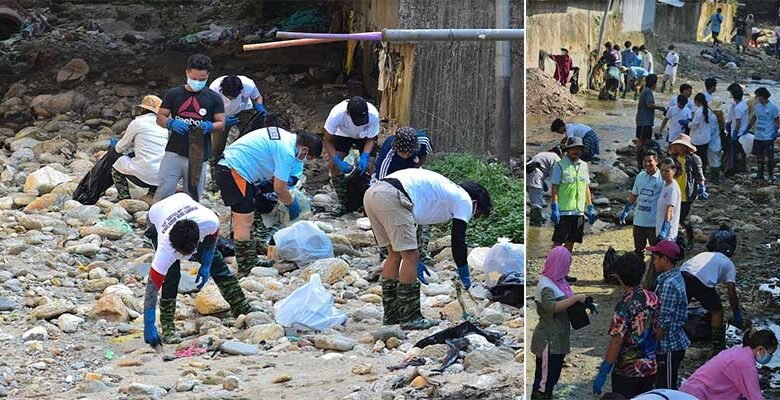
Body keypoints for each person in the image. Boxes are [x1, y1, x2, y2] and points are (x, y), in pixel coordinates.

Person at [363, 169, 491, 330]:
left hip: (373, 193)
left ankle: (392, 316)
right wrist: (464, 273)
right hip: (393, 196)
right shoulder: (464, 199)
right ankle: (410, 318)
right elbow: (458, 241)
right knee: (410, 256)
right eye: (477, 213)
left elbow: (413, 221)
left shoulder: (441, 192)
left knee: (394, 255)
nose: (473, 216)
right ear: (475, 203)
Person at [142, 193, 256, 346]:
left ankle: (240, 305)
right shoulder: (166, 247)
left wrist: (207, 263)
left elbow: (212, 238)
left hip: (183, 202)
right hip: (157, 216)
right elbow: (152, 287)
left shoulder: (209, 222)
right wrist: (148, 324)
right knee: (171, 275)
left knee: (217, 263)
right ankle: (168, 326)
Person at [215, 120, 323, 279]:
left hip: (242, 172)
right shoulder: (286, 150)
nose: (307, 160)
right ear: (305, 149)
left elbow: (288, 177)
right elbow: (280, 188)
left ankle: (249, 259)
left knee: (247, 218)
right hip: (234, 169)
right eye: (310, 157)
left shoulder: (287, 141)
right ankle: (245, 265)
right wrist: (292, 205)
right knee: (244, 220)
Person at [154, 53, 225, 202]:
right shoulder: (174, 94)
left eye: (202, 79)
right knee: (164, 190)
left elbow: (221, 122)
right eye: (194, 79)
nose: (197, 82)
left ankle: (190, 223)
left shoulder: (214, 98)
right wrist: (171, 123)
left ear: (208, 76)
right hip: (174, 151)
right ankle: (154, 223)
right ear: (187, 73)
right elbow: (160, 117)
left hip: (199, 154)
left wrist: (210, 126)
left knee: (193, 196)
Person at [593, 252, 660, 398]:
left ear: (619, 278)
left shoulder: (624, 306)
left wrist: (604, 370)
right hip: (650, 367)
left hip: (627, 371)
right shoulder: (653, 298)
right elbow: (659, 328)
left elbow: (617, 340)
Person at [530, 246, 589, 400]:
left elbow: (566, 301)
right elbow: (552, 307)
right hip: (548, 340)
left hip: (559, 339)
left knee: (552, 377)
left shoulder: (559, 282)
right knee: (543, 381)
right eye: (566, 265)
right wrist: (575, 299)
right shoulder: (545, 285)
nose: (567, 268)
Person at [372, 127, 434, 263]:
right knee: (386, 214)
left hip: (413, 176)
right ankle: (387, 253)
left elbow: (423, 155)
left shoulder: (423, 142)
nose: (406, 155)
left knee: (423, 210)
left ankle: (421, 252)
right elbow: (380, 185)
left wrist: (415, 168)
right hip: (388, 182)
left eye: (409, 152)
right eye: (402, 152)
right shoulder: (387, 154)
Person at [680, 226, 744, 355]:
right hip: (701, 281)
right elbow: (731, 292)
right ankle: (717, 346)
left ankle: (675, 333)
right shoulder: (728, 264)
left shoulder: (705, 254)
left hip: (682, 274)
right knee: (717, 311)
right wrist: (736, 312)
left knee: (680, 306)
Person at [680, 328, 776, 399]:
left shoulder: (738, 352)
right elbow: (755, 397)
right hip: (697, 395)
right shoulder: (745, 364)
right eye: (770, 354)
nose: (770, 357)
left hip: (691, 390)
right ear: (760, 349)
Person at [323, 96, 380, 216]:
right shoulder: (337, 114)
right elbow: (327, 140)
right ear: (348, 114)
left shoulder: (373, 114)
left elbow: (371, 139)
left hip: (364, 136)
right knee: (333, 166)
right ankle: (343, 203)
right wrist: (337, 160)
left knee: (370, 165)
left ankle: (369, 205)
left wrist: (364, 156)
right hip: (342, 134)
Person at [646, 240, 689, 390]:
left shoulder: (669, 284)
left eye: (655, 258)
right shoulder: (673, 277)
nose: (653, 263)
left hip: (669, 345)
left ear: (664, 259)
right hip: (669, 343)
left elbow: (663, 320)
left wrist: (651, 345)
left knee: (667, 385)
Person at [111, 95, 168, 201]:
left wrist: (114, 146)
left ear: (142, 109)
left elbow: (120, 148)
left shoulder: (137, 123)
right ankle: (153, 192)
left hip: (143, 177)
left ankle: (123, 197)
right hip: (162, 176)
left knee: (116, 166)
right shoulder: (163, 126)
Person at [208, 75, 266, 174]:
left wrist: (259, 105)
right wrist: (222, 120)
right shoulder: (214, 89)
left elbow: (257, 97)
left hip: (243, 111)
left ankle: (247, 165)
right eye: (228, 97)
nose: (231, 99)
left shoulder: (249, 85)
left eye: (233, 97)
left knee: (250, 138)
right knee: (216, 146)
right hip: (222, 114)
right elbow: (208, 111)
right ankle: (215, 170)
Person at [550, 137, 597, 254]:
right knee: (558, 242)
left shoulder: (584, 166)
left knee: (571, 242)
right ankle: (551, 269)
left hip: (579, 211)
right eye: (574, 149)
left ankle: (564, 269)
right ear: (568, 150)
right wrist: (554, 207)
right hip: (564, 211)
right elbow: (554, 187)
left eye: (579, 149)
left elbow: (586, 187)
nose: (577, 151)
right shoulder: (560, 165)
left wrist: (590, 206)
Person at [620, 151, 664, 255]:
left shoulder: (662, 179)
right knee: (638, 250)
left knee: (656, 252)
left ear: (656, 162)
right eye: (645, 161)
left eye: (650, 161)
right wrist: (626, 209)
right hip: (639, 221)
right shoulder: (640, 176)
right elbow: (634, 195)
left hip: (654, 223)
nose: (647, 164)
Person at [669, 135, 706, 249]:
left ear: (687, 147)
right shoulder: (672, 159)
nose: (680, 148)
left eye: (682, 145)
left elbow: (699, 175)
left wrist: (701, 187)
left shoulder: (694, 159)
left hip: (687, 194)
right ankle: (673, 240)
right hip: (673, 193)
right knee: (671, 218)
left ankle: (690, 239)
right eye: (678, 145)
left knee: (683, 219)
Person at [635, 74, 666, 169]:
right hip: (645, 121)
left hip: (642, 120)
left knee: (643, 141)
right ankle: (641, 161)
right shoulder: (648, 92)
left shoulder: (645, 90)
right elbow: (650, 105)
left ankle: (641, 161)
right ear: (654, 83)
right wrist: (661, 108)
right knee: (644, 142)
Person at [749, 87, 779, 181]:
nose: (757, 99)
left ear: (763, 96)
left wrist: (775, 132)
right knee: (759, 155)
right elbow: (754, 118)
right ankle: (760, 173)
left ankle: (771, 174)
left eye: (759, 97)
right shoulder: (757, 106)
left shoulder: (773, 108)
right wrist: (747, 128)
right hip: (758, 135)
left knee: (770, 156)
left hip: (768, 136)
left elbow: (777, 121)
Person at [527, 146, 563, 226]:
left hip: (528, 173)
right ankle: (535, 226)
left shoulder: (543, 154)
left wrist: (543, 182)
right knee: (537, 204)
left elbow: (540, 166)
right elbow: (555, 180)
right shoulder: (557, 159)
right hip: (535, 177)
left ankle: (535, 223)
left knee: (534, 201)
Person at [726, 84, 749, 176]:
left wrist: (735, 132)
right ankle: (742, 168)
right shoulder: (743, 105)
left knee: (737, 152)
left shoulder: (738, 108)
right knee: (741, 151)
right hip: (743, 131)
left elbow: (738, 122)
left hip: (738, 132)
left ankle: (736, 169)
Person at [656, 158, 681, 243]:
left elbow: (669, 210)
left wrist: (664, 229)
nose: (663, 173)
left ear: (674, 171)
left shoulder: (672, 188)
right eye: (662, 170)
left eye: (667, 171)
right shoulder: (665, 185)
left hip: (668, 233)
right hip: (659, 227)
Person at [689, 93, 713, 170]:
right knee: (703, 157)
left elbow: (693, 125)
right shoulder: (708, 110)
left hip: (697, 139)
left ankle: (696, 173)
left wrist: (687, 123)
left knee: (696, 158)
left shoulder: (698, 111)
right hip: (705, 138)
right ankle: (703, 172)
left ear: (697, 101)